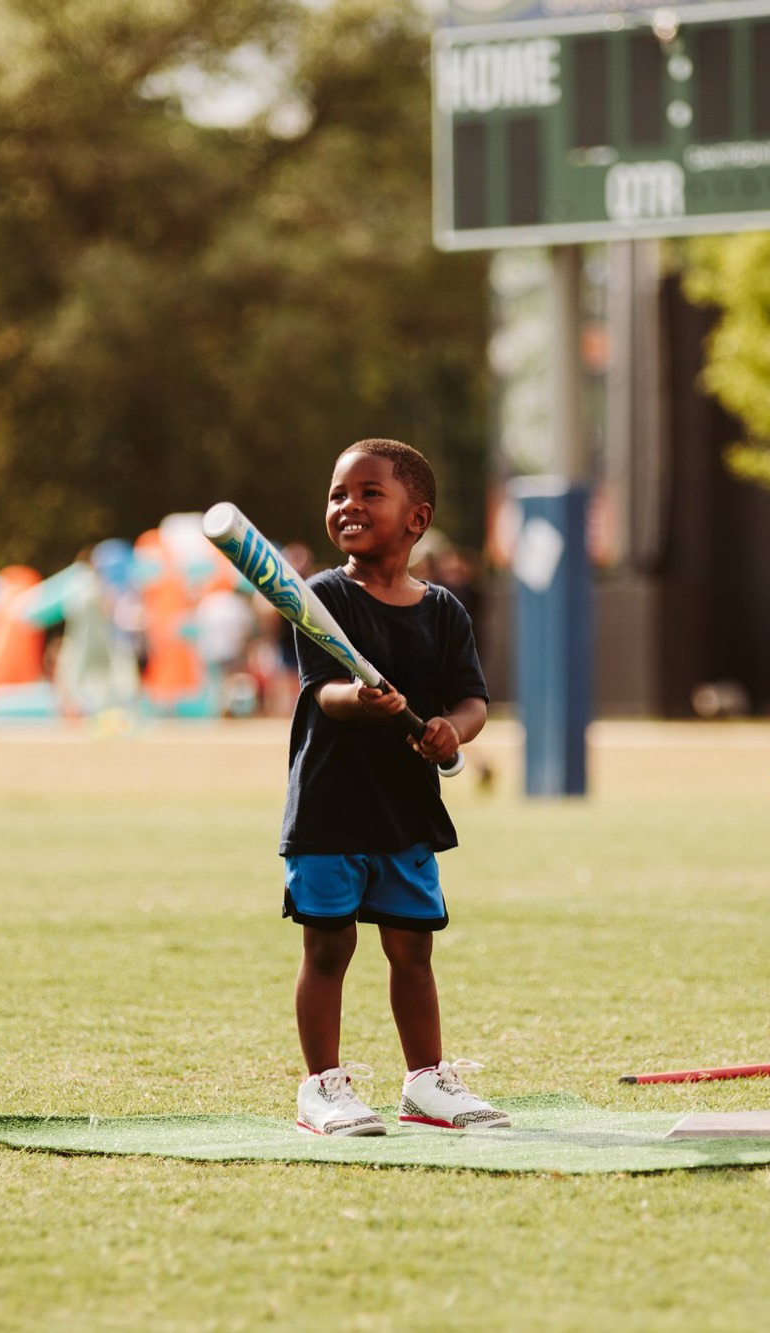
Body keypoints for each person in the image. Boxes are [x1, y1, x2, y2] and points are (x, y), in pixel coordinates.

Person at [279, 438, 499, 1136]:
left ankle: (426, 1082)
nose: (348, 505)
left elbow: (473, 701)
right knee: (329, 947)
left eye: (370, 492)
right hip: (330, 808)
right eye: (339, 493)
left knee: (413, 947)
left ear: (417, 517)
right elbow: (323, 693)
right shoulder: (321, 598)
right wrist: (360, 696)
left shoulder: (444, 611)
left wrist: (451, 732)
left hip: (405, 811)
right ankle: (322, 1087)